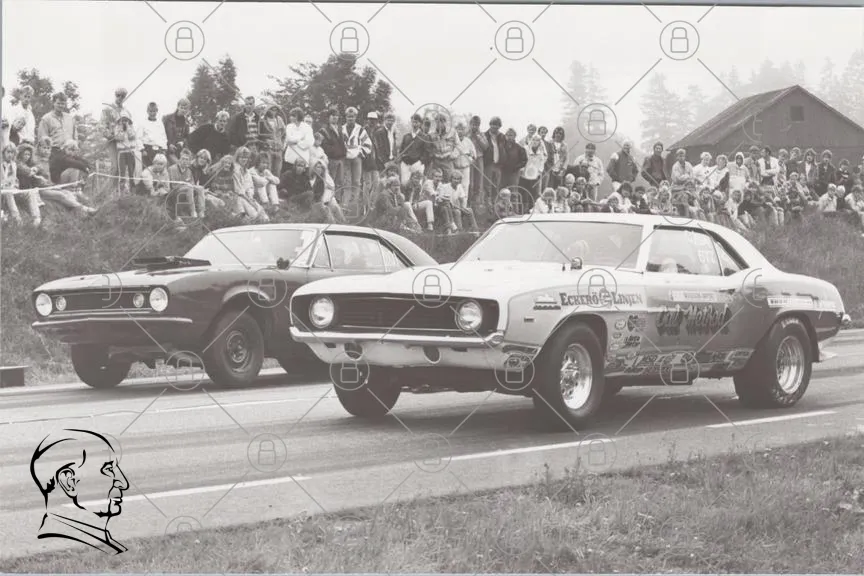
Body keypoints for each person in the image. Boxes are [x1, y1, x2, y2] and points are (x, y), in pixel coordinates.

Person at [30, 430, 128, 554]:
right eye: (108, 469)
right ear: (69, 482)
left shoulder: (99, 543)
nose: (123, 483)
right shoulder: (72, 551)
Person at [1, 143, 42, 225]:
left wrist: (15, 184)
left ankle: (36, 218)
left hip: (14, 190)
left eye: (12, 152)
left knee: (30, 192)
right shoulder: (1, 165)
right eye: (8, 152)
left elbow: (15, 180)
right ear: (4, 153)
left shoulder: (14, 165)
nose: (10, 155)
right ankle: (17, 219)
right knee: (8, 192)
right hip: (3, 192)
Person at [100, 87, 131, 179]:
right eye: (118, 95)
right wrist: (111, 136)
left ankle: (120, 187)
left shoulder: (126, 111)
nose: (120, 97)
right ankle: (110, 188)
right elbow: (102, 126)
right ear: (115, 95)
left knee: (122, 167)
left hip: (124, 142)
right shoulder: (107, 109)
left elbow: (130, 126)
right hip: (112, 141)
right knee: (115, 167)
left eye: (123, 96)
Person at [341, 106, 371, 200]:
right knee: (346, 181)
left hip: (356, 158)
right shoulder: (341, 129)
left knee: (357, 181)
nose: (350, 119)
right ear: (346, 117)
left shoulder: (360, 129)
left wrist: (360, 152)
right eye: (348, 116)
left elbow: (368, 144)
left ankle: (354, 202)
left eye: (352, 116)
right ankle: (346, 202)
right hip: (345, 158)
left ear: (355, 117)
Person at [232, 145, 269, 222]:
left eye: (246, 157)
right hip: (238, 196)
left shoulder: (247, 171)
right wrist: (248, 199)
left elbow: (250, 186)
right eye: (242, 157)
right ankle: (248, 217)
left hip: (247, 196)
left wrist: (250, 196)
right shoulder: (235, 170)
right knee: (254, 214)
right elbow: (238, 189)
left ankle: (258, 216)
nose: (244, 159)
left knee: (264, 217)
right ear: (237, 158)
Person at [318, 107, 346, 188]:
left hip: (341, 160)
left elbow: (343, 144)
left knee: (340, 183)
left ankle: (337, 196)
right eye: (333, 115)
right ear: (328, 117)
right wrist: (335, 152)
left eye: (337, 115)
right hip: (331, 160)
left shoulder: (341, 129)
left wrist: (343, 153)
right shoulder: (323, 130)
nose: (335, 117)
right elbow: (324, 146)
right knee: (330, 182)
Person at [398, 113, 428, 186]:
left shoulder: (424, 137)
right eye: (413, 122)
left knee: (417, 185)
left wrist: (420, 162)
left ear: (420, 124)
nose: (414, 124)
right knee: (404, 184)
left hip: (417, 164)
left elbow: (426, 153)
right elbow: (401, 150)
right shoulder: (406, 136)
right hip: (406, 164)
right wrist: (403, 160)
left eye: (416, 122)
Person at [258, 105, 286, 178]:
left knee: (277, 170)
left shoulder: (279, 119)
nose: (274, 111)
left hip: (278, 149)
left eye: (275, 110)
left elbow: (284, 133)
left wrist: (283, 144)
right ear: (268, 110)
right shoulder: (262, 120)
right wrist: (265, 141)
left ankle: (275, 185)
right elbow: (259, 136)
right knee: (267, 170)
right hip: (267, 149)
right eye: (272, 109)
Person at [113, 111, 138, 194]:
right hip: (122, 152)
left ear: (128, 120)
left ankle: (132, 190)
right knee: (122, 171)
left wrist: (127, 128)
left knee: (131, 171)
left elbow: (132, 136)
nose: (124, 122)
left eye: (126, 120)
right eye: (122, 120)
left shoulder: (131, 127)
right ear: (119, 120)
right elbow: (118, 138)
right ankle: (122, 190)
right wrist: (122, 130)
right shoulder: (117, 128)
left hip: (130, 151)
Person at [483, 116, 506, 203]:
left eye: (497, 125)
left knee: (496, 186)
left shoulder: (502, 136)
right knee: (487, 185)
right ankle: (487, 204)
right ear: (490, 125)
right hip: (488, 164)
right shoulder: (484, 135)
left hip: (498, 165)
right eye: (493, 124)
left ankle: (495, 204)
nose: (495, 127)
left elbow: (505, 150)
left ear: (499, 126)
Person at [139, 102, 168, 168]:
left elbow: (163, 137)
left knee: (158, 169)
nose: (152, 113)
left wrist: (164, 149)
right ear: (147, 111)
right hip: (147, 150)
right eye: (150, 111)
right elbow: (139, 138)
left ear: (157, 111)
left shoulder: (160, 123)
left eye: (154, 111)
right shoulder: (143, 123)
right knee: (147, 170)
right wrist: (142, 150)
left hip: (158, 150)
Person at [467, 115, 488, 205]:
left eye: (477, 125)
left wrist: (477, 137)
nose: (474, 126)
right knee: (470, 182)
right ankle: (468, 202)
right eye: (473, 124)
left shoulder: (481, 134)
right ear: (470, 124)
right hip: (469, 158)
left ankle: (477, 203)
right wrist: (470, 136)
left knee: (479, 182)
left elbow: (485, 147)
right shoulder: (466, 134)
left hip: (479, 158)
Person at [163, 98, 191, 165]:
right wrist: (169, 144)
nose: (183, 110)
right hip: (167, 150)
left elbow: (186, 137)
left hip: (179, 151)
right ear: (178, 107)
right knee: (176, 165)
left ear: (188, 110)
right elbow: (161, 134)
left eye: (185, 108)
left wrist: (182, 142)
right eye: (182, 107)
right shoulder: (167, 118)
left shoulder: (187, 122)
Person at [520, 133, 546, 203]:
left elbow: (542, 161)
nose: (535, 142)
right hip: (525, 174)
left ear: (539, 142)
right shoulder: (525, 149)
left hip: (535, 175)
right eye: (533, 140)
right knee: (524, 192)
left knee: (535, 192)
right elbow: (522, 160)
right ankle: (524, 206)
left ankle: (533, 206)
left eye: (537, 140)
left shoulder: (541, 151)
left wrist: (539, 171)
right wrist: (522, 169)